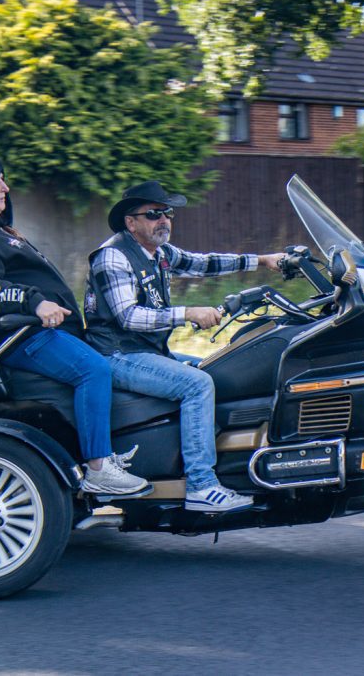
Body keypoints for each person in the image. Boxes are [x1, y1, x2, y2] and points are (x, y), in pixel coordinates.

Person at [0, 150, 147, 496]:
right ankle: (99, 468)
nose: (5, 188)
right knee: (93, 370)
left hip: (38, 332)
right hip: (22, 337)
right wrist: (34, 302)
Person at [84, 181, 285, 513]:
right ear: (130, 222)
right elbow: (128, 316)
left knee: (217, 369)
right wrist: (188, 313)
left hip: (146, 352)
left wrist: (263, 260)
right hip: (117, 354)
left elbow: (205, 263)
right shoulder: (113, 257)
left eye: (167, 213)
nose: (163, 220)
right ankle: (202, 486)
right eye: (153, 214)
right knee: (197, 384)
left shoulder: (159, 253)